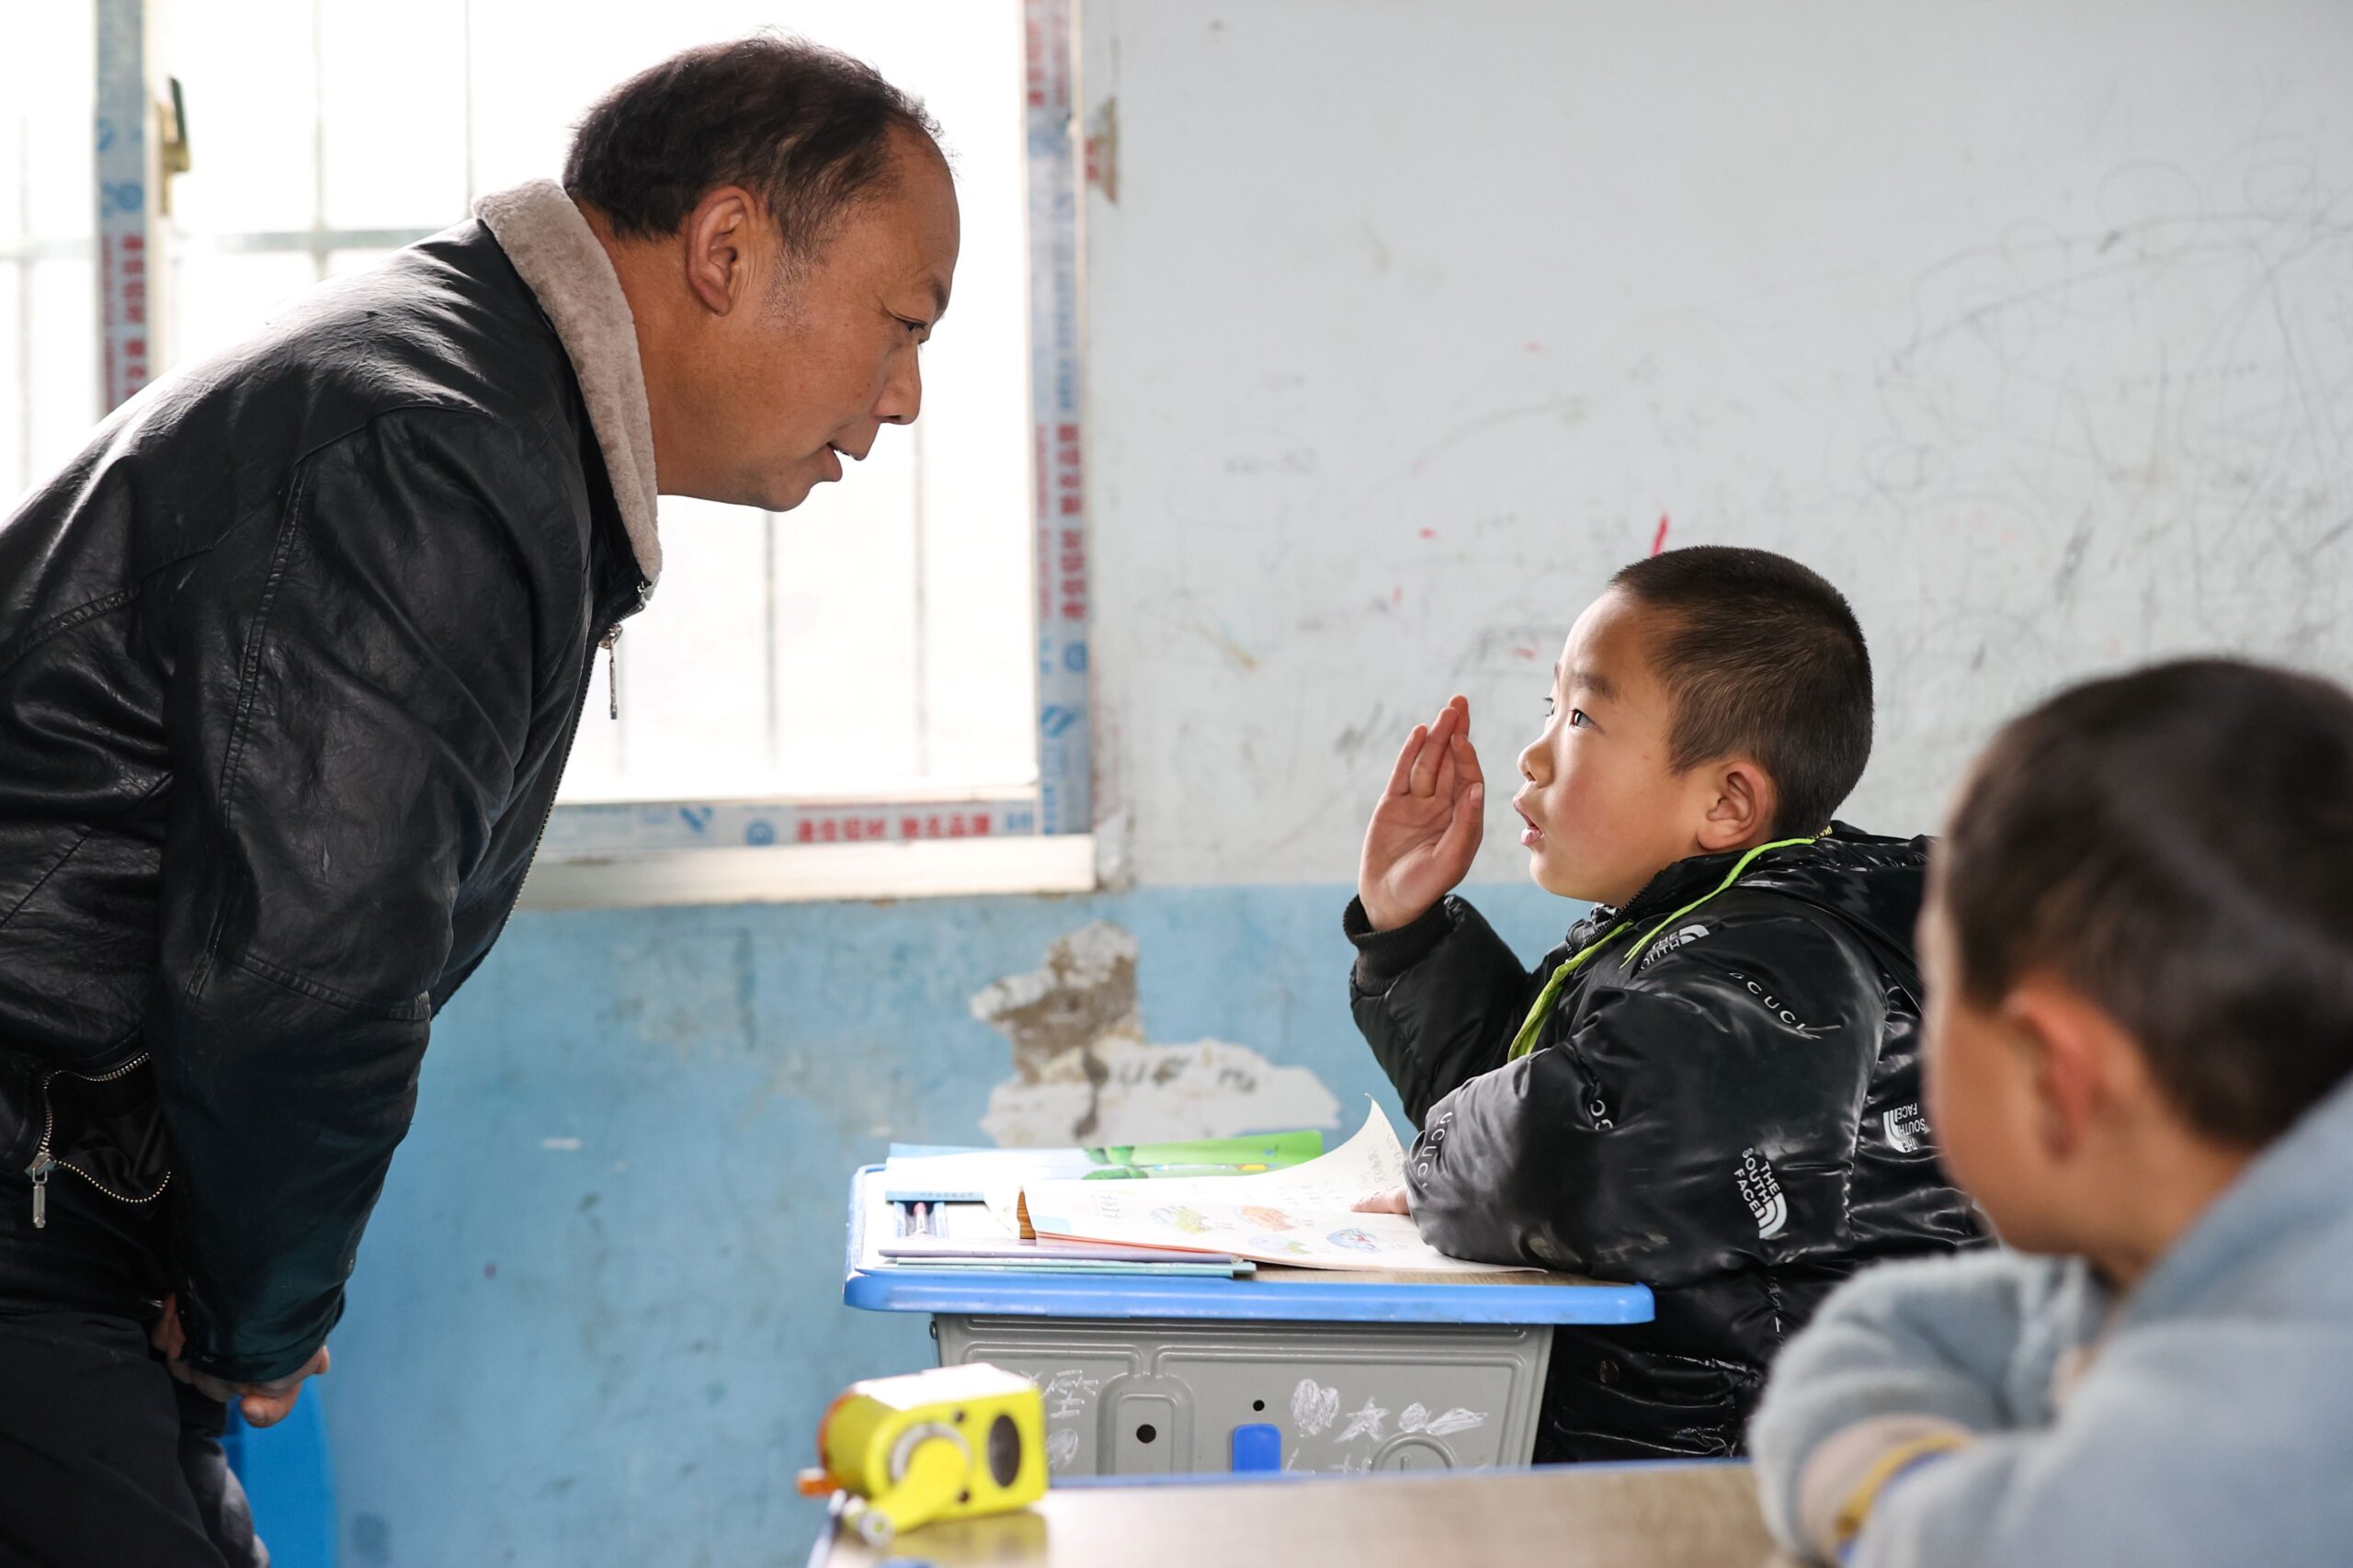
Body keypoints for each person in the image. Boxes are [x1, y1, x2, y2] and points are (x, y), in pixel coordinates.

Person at [0, 34, 957, 1566]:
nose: (904, 395)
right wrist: (264, 1317)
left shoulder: (468, 396)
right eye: (900, 325)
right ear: (726, 247)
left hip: (82, 1204)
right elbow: (302, 984)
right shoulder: (435, 454)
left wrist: (237, 1287)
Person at [1347, 545, 1983, 1461]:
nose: (1531, 754)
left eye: (1579, 716)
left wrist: (1429, 1177)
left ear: (1727, 802)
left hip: (1746, 1492)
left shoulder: (1784, 954)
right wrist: (1407, 929)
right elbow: (1532, 1091)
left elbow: (1589, 1153)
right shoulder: (1679, 927)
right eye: (1548, 707)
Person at [1749, 659, 2353, 1568]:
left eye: (1940, 986)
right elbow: (1880, 1333)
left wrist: (1896, 1497)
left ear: (2054, 1076)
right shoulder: (2158, 1262)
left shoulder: (2290, 1399)